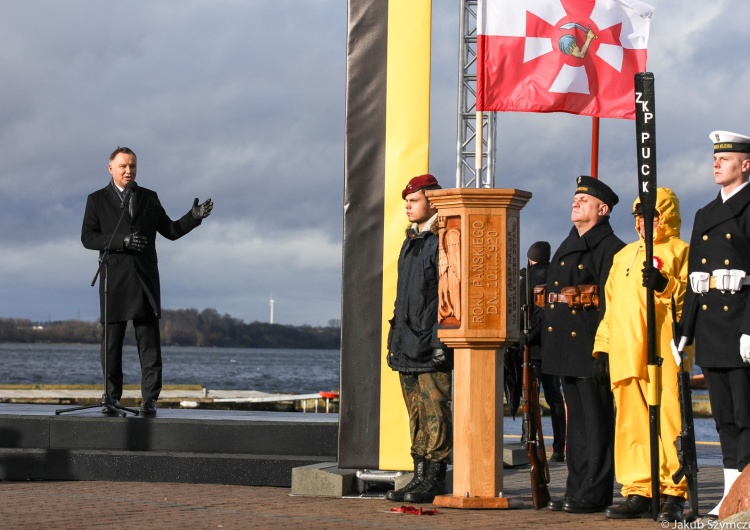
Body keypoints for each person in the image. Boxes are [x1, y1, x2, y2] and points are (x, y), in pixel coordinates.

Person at [81, 147, 213, 415]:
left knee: (149, 343)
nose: (128, 171)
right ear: (111, 169)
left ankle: (150, 398)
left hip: (144, 279)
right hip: (113, 281)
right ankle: (111, 396)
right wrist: (122, 241)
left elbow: (171, 231)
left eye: (132, 166)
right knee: (111, 344)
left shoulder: (149, 198)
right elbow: (88, 238)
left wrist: (193, 218)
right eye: (123, 166)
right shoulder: (96, 200)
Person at [593, 188, 691, 522]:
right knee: (630, 422)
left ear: (666, 217)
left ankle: (672, 491)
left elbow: (690, 303)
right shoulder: (624, 256)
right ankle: (638, 488)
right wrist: (603, 346)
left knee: (669, 421)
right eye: (638, 216)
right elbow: (611, 306)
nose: (643, 222)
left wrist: (665, 285)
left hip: (663, 351)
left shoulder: (680, 251)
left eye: (651, 216)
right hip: (625, 353)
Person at [542, 175, 625, 513]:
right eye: (575, 198)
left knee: (595, 422)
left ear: (602, 210)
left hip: (591, 345)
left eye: (585, 200)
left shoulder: (610, 248)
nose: (576, 203)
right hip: (565, 344)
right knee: (576, 422)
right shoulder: (568, 243)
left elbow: (610, 303)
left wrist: (604, 348)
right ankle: (576, 488)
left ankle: (593, 491)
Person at [678, 131, 750, 517]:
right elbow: (695, 278)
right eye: (715, 158)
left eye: (726, 158)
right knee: (723, 417)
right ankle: (728, 497)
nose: (716, 163)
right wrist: (684, 331)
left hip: (741, 325)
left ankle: (747, 494)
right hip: (710, 329)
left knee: (745, 415)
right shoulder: (705, 214)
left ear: (746, 164)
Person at [384, 173, 453, 504]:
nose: (408, 207)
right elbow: (403, 299)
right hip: (407, 341)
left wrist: (440, 341)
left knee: (434, 409)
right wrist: (394, 340)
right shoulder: (411, 241)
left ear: (432, 201)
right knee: (416, 412)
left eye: (414, 201)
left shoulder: (445, 238)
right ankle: (420, 474)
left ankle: (435, 477)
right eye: (407, 202)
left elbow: (448, 295)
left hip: (429, 342)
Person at [520, 241, 566, 462]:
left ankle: (528, 440)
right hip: (553, 344)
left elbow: (521, 311)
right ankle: (558, 448)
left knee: (527, 395)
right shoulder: (555, 276)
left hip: (531, 345)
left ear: (530, 258)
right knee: (554, 396)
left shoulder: (525, 280)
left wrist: (524, 336)